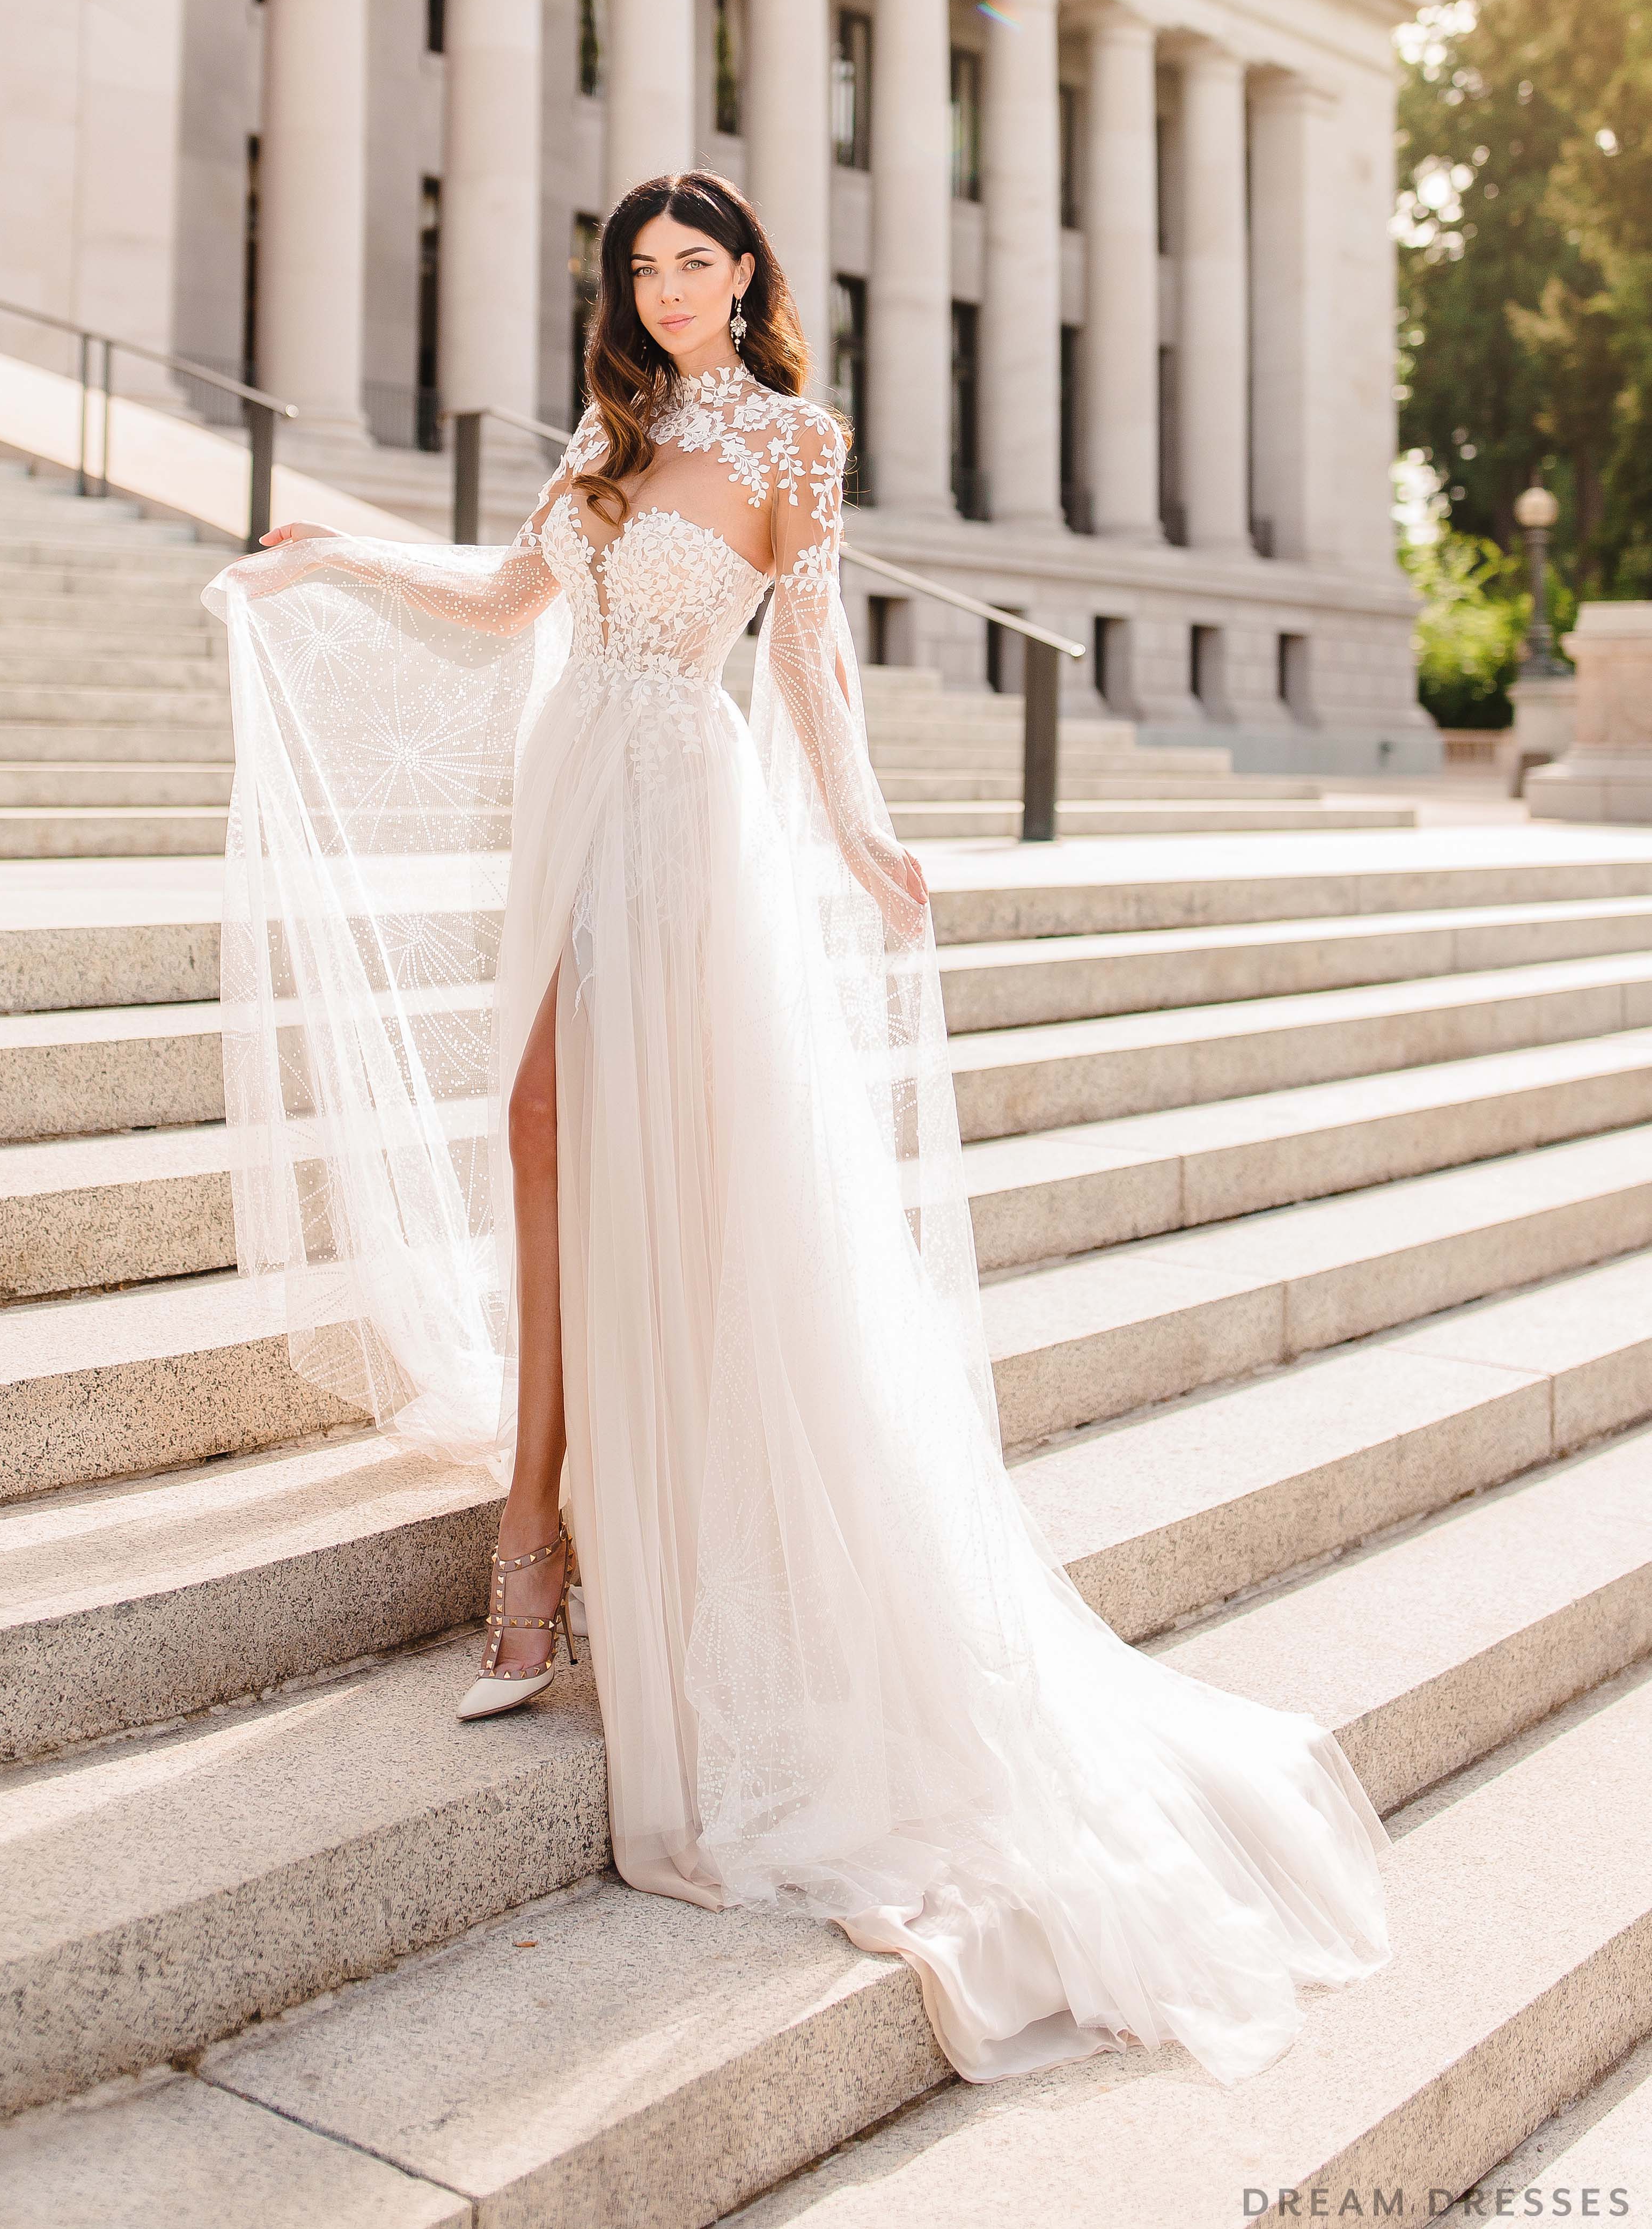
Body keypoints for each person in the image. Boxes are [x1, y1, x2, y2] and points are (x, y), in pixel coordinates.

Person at [205, 170, 1388, 2086]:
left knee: (653, 1166)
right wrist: (330, 552)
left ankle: (540, 1551)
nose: (667, 293)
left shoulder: (790, 439)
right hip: (569, 796)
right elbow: (506, 604)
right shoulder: (610, 430)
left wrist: (854, 829)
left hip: (687, 819)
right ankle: (542, 1522)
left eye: (695, 265)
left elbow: (809, 657)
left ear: (748, 273)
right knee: (534, 1132)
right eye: (640, 269)